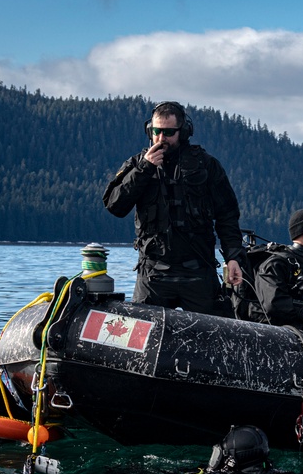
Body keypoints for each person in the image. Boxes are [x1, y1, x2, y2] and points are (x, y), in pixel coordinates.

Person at [103, 101, 244, 316]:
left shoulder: (206, 165)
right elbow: (115, 205)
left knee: (216, 338)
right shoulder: (137, 165)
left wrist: (233, 257)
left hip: (198, 271)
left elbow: (227, 215)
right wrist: (144, 169)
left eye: (168, 132)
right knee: (140, 338)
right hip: (153, 273)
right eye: (156, 131)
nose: (161, 138)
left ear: (184, 132)